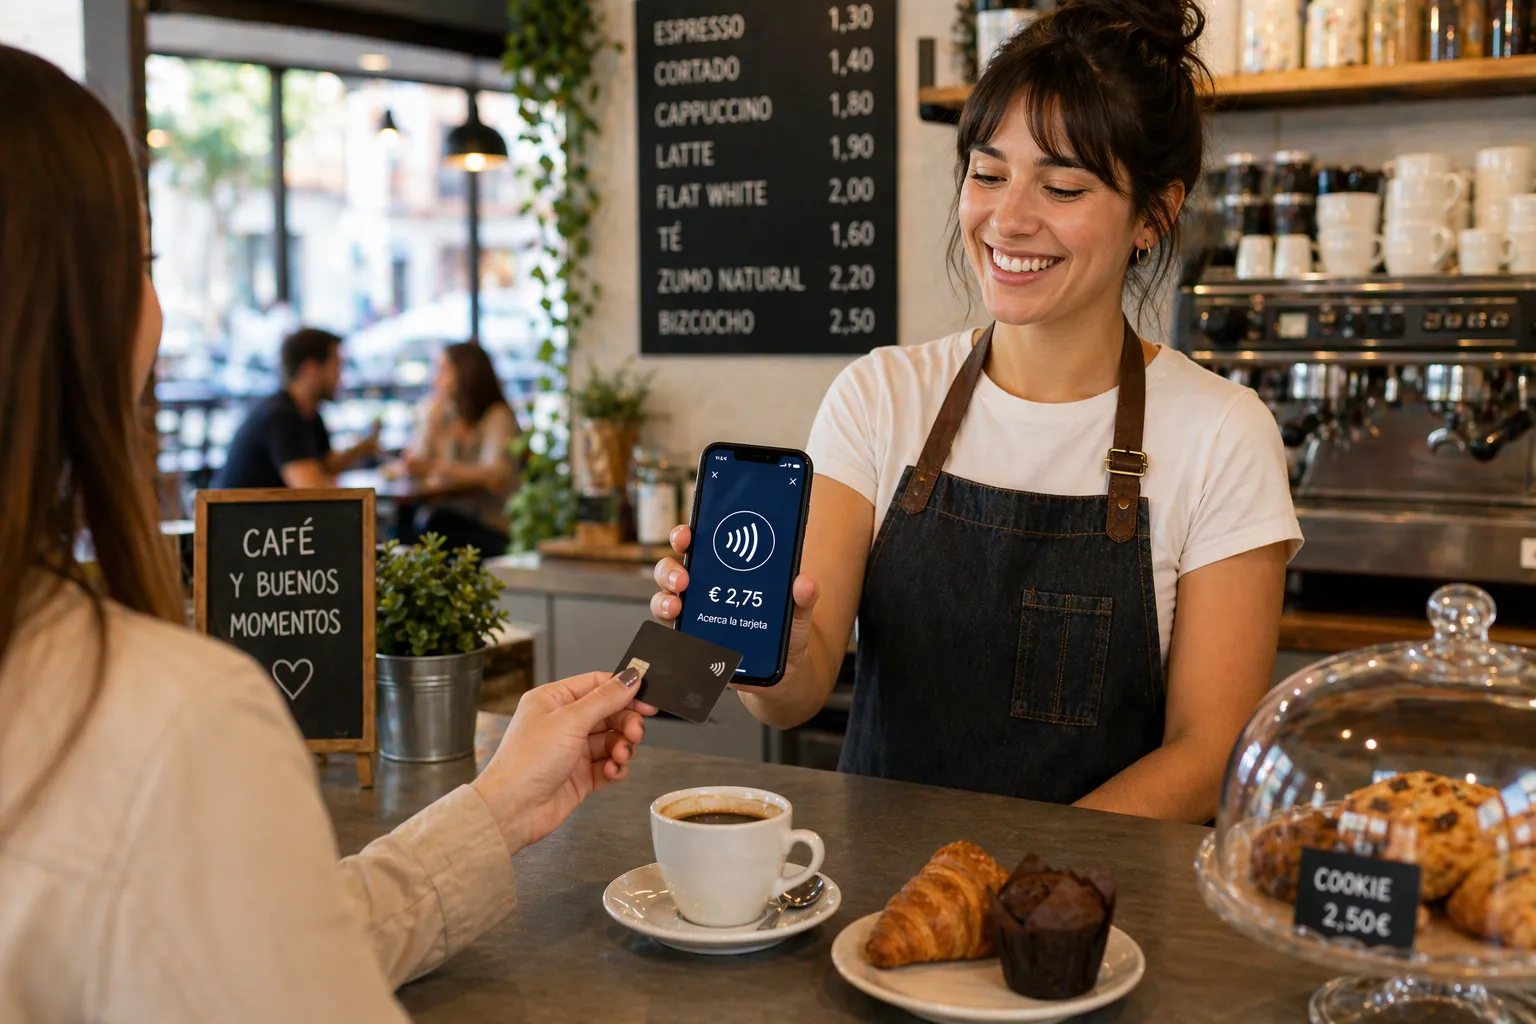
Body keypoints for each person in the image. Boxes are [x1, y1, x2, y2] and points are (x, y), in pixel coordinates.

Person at [0, 45, 654, 1021]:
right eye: (142, 260)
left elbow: (252, 940)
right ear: (82, 313)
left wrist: (497, 804)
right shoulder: (168, 723)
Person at [653, 0, 1302, 824]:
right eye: (988, 173)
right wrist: (767, 647)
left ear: (1155, 215)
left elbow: (1209, 757)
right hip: (872, 907)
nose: (1009, 218)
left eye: (1062, 185)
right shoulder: (881, 396)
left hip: (1089, 926)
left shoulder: (1222, 434)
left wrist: (1003, 889)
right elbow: (796, 698)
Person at [396, 342, 521, 556]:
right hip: (454, 518)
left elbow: (495, 474)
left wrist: (437, 468)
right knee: (408, 520)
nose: (435, 379)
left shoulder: (498, 416)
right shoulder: (446, 416)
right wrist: (429, 424)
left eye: (443, 370)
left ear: (465, 373)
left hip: (491, 525)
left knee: (432, 525)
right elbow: (415, 464)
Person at [214, 327, 379, 489]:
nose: (341, 378)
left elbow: (324, 465)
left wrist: (361, 448)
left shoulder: (308, 414)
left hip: (269, 516)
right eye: (336, 366)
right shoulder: (281, 416)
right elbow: (313, 491)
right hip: (242, 516)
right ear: (311, 369)